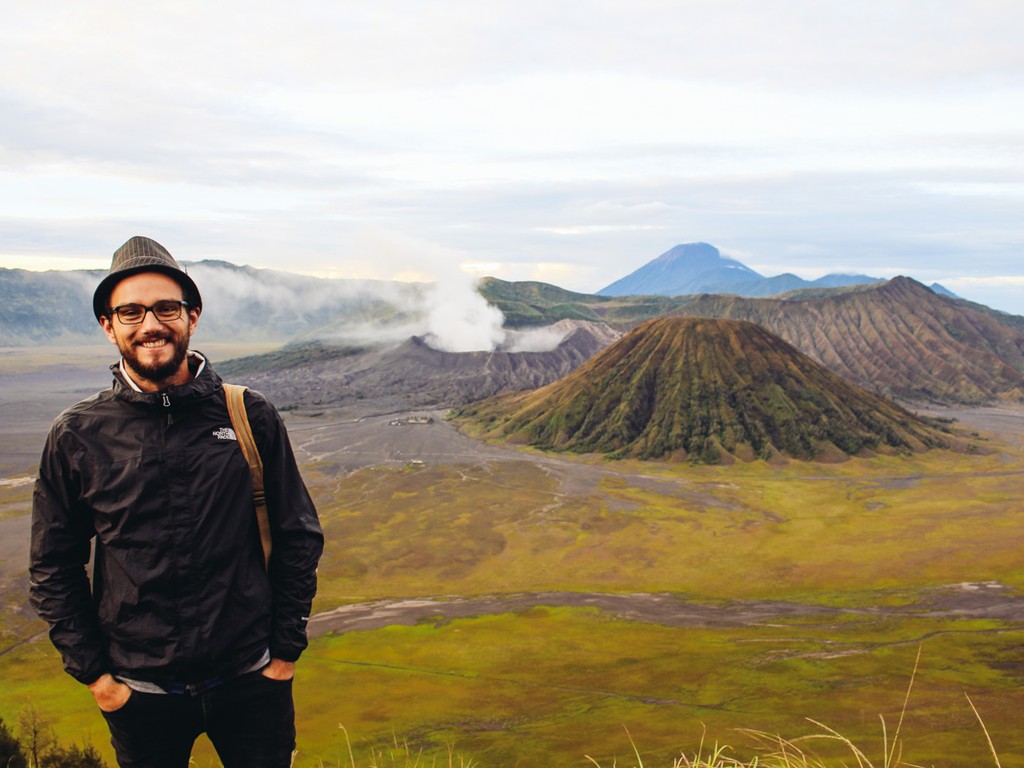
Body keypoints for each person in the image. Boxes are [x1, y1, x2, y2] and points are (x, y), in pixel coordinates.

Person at [29, 236, 324, 768]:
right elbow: (53, 564)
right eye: (131, 312)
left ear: (192, 316)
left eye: (166, 308)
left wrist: (283, 654)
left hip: (251, 680)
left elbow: (297, 534)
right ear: (108, 325)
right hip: (140, 693)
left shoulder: (248, 415)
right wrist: (98, 679)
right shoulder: (77, 435)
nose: (151, 324)